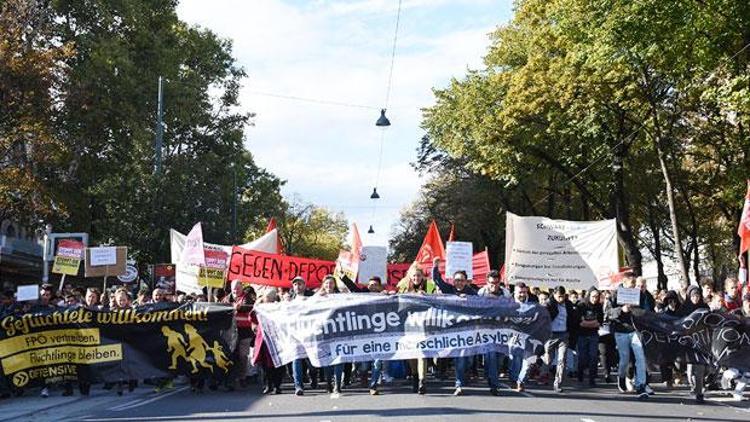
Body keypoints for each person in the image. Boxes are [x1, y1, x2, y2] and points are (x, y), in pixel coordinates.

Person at [431, 257, 476, 396]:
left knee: (466, 359)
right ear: (453, 280)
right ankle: (458, 383)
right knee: (457, 357)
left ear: (466, 281)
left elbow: (480, 305)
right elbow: (437, 280)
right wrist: (435, 266)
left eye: (462, 280)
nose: (459, 282)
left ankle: (462, 378)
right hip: (451, 331)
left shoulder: (471, 293)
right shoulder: (448, 289)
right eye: (457, 280)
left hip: (466, 330)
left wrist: (469, 300)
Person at [396, 266, 436, 394]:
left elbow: (438, 300)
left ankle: (422, 381)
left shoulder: (429, 287)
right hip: (409, 326)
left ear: (422, 277)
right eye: (414, 276)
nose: (416, 278)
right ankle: (415, 376)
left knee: (422, 353)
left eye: (418, 276)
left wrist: (428, 297)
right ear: (410, 277)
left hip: (424, 326)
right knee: (412, 354)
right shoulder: (404, 288)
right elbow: (397, 302)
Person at [609, 275, 650, 400]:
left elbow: (644, 311)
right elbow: (609, 313)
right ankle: (621, 376)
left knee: (640, 357)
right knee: (624, 360)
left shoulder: (640, 294)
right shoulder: (615, 295)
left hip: (635, 330)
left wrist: (636, 311)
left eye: (634, 284)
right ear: (624, 283)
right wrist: (622, 309)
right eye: (631, 284)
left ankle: (641, 385)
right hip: (621, 331)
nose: (633, 287)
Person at [678, 285, 710, 403]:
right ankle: (698, 391)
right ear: (689, 296)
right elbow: (678, 322)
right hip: (689, 340)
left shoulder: (704, 307)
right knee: (695, 366)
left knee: (703, 367)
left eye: (697, 296)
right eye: (693, 296)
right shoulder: (684, 308)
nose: (695, 298)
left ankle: (698, 388)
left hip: (703, 340)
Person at [477, 269, 506, 396]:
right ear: (487, 283)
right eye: (491, 283)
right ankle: (494, 384)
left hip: (501, 330)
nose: (494, 286)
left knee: (498, 359)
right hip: (486, 330)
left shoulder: (505, 294)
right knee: (492, 355)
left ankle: (490, 375)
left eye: (496, 283)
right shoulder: (481, 293)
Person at [543, 286, 577, 393]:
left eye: (563, 296)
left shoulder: (568, 304)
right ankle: (541, 366)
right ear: (554, 294)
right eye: (559, 297)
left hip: (564, 334)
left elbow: (572, 318)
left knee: (562, 360)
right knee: (548, 359)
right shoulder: (549, 304)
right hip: (551, 335)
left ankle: (557, 383)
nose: (561, 299)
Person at [289, 276, 315, 396]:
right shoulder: (288, 300)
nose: (297, 287)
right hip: (295, 334)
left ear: (304, 285)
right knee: (296, 358)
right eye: (295, 284)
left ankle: (313, 377)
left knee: (311, 359)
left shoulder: (312, 298)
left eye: (300, 284)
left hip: (309, 333)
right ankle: (298, 385)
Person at [576, 287, 603, 387]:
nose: (595, 299)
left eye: (597, 297)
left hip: (594, 334)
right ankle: (580, 375)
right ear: (589, 296)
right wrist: (592, 323)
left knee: (593, 356)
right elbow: (581, 323)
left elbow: (599, 322)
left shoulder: (599, 306)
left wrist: (589, 323)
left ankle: (592, 379)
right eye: (593, 296)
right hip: (582, 334)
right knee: (582, 357)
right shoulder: (581, 305)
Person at [509, 282, 533, 392]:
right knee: (515, 359)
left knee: (528, 362)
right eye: (520, 292)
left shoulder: (533, 303)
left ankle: (520, 381)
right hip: (513, 336)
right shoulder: (508, 303)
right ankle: (515, 378)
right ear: (515, 292)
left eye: (524, 292)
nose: (522, 295)